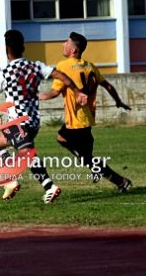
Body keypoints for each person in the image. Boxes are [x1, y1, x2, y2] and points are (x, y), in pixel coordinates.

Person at [0, 29, 88, 204]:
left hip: (18, 123)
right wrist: (77, 91)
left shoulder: (4, 74)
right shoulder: (35, 67)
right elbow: (61, 76)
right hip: (34, 122)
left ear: (7, 49)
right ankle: (14, 181)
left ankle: (48, 186)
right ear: (23, 47)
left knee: (26, 153)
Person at [39, 32, 133, 193]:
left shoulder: (63, 66)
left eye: (66, 42)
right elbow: (108, 85)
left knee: (77, 151)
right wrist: (118, 102)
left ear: (73, 50)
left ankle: (121, 181)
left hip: (76, 119)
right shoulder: (89, 66)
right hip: (87, 117)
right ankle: (112, 177)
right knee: (81, 153)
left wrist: (37, 96)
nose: (63, 44)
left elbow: (54, 93)